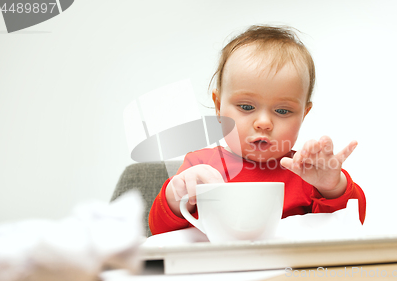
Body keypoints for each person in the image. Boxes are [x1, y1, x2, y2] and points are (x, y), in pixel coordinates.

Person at [149, 25, 366, 235]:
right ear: (218, 106)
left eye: (282, 110)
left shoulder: (307, 173)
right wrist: (175, 197)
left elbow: (348, 225)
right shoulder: (199, 167)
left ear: (303, 115)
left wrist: (333, 186)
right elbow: (160, 231)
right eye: (246, 107)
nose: (263, 123)